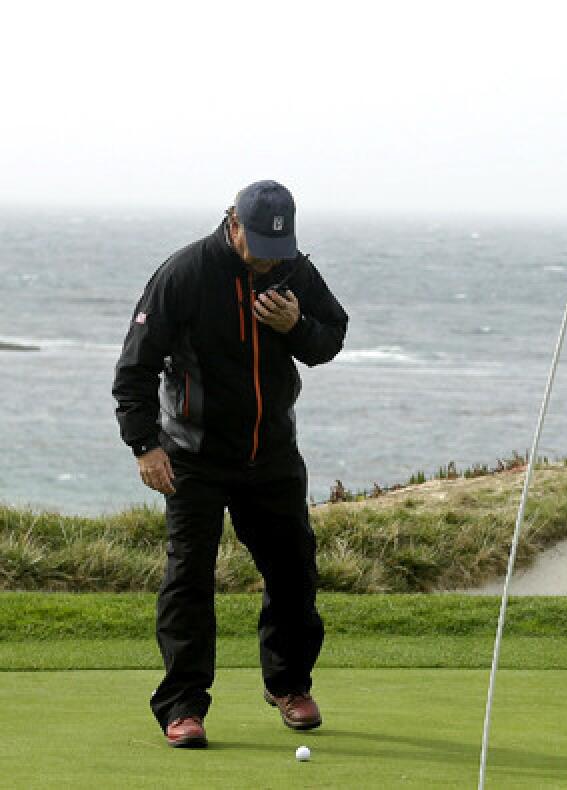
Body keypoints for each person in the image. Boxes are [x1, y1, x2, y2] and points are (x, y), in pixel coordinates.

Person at [113, 180, 349, 747]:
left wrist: (296, 327)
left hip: (270, 452)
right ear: (234, 224)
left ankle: (289, 685)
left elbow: (331, 337)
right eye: (261, 248)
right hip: (193, 455)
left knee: (293, 572)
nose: (270, 262)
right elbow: (136, 366)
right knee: (189, 578)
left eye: (280, 249)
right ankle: (182, 707)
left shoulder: (293, 271)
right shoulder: (185, 273)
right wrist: (144, 444)